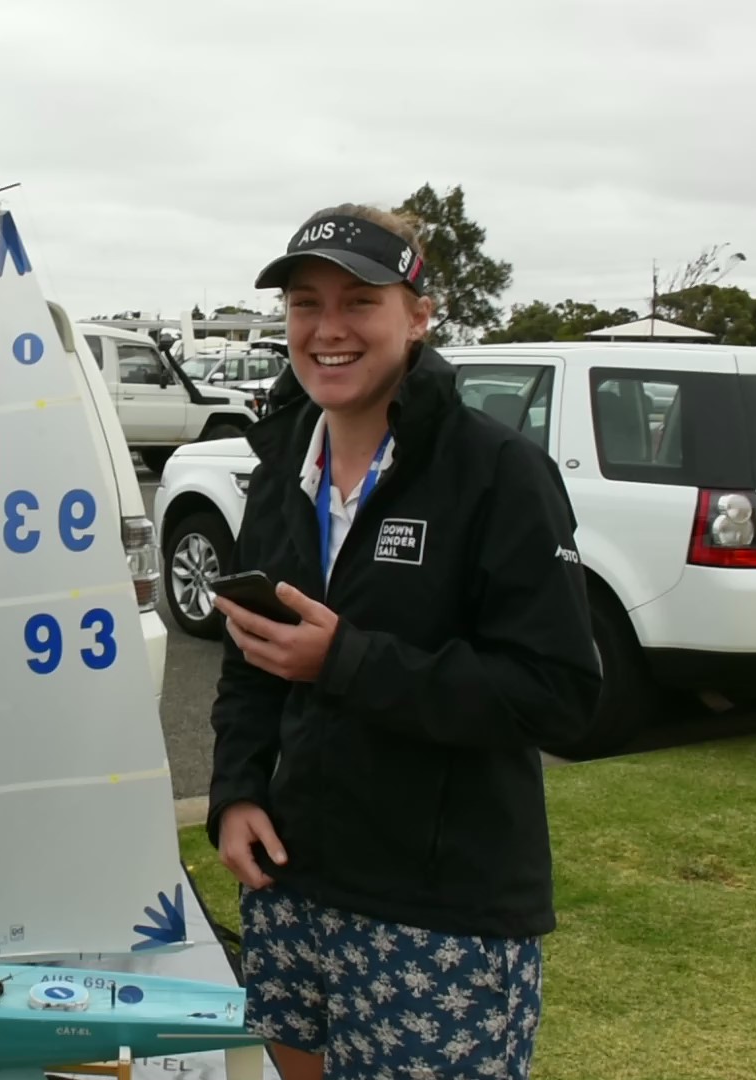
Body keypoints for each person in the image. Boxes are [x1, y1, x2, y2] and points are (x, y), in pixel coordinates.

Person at [205, 204, 602, 1079]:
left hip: (441, 912)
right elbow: (250, 663)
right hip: (293, 889)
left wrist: (346, 661)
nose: (329, 328)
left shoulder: (497, 473)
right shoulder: (282, 469)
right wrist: (235, 792)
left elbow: (559, 694)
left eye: (360, 301)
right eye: (306, 303)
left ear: (419, 315)